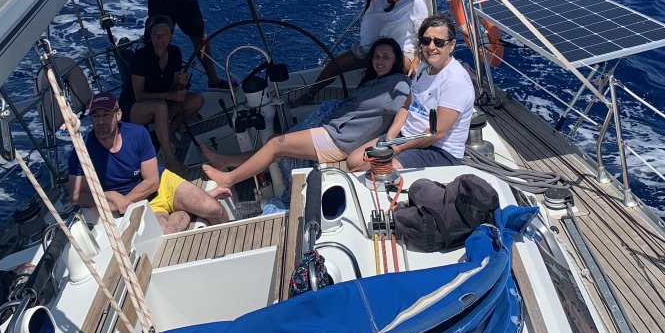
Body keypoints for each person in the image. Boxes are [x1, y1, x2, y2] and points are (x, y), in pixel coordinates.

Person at [201, 38, 410, 189]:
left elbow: (407, 107)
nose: (379, 61)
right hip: (334, 131)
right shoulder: (375, 80)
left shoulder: (398, 84)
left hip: (338, 141)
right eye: (376, 56)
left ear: (395, 60)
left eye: (386, 57)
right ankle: (226, 161)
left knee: (276, 145)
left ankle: (229, 179)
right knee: (275, 141)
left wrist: (391, 137)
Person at [68, 94, 229, 234]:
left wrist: (124, 202)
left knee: (213, 209)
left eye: (106, 114)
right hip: (141, 204)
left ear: (118, 115)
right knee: (166, 231)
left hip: (162, 185)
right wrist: (110, 196)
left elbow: (152, 181)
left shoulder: (138, 134)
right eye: (96, 116)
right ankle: (190, 209)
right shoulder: (82, 150)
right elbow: (76, 195)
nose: (101, 121)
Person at [349, 15, 475, 171]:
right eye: (426, 41)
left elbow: (438, 133)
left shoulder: (455, 82)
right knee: (354, 160)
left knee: (372, 170)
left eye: (439, 42)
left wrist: (398, 148)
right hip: (407, 136)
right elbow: (407, 105)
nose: (431, 47)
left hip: (437, 150)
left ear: (452, 46)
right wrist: (391, 138)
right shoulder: (424, 67)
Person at [304, 0, 428, 99]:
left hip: (401, 53)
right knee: (335, 65)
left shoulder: (414, 1)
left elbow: (425, 34)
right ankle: (308, 95)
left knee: (375, 78)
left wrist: (418, 59)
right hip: (369, 50)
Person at [119, 16, 205, 176]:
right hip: (134, 108)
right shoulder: (140, 57)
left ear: (171, 36)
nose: (159, 39)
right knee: (160, 106)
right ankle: (169, 158)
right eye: (155, 35)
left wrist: (181, 84)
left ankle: (170, 131)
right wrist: (171, 96)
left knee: (197, 100)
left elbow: (173, 87)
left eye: (163, 35)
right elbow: (139, 96)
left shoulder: (175, 52)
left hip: (162, 103)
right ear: (150, 37)